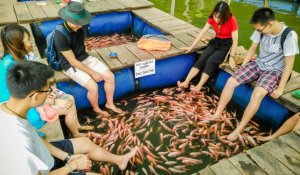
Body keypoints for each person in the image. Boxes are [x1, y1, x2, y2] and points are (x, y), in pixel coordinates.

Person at [0, 61, 138, 175]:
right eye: (48, 90)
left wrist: (67, 157)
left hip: (42, 154)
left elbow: (36, 139)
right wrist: (72, 166)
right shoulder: (19, 141)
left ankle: (120, 160)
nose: (51, 93)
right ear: (35, 96)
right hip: (43, 170)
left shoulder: (7, 108)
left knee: (84, 142)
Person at [212, 7, 299, 141]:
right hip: (258, 63)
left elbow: (289, 64)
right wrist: (243, 66)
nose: (258, 31)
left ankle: (239, 129)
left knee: (257, 94)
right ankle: (218, 112)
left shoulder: (289, 35)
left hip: (274, 71)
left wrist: (280, 88)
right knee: (231, 81)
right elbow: (252, 49)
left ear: (269, 24)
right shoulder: (261, 29)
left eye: (259, 29)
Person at [0, 24, 92, 138]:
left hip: (34, 96)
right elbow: (28, 96)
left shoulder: (22, 56)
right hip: (23, 109)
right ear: (17, 45)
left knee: (71, 99)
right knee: (69, 108)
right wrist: (53, 102)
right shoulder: (15, 68)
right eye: (28, 40)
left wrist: (49, 92)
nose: (31, 42)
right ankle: (76, 134)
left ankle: (76, 127)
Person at [53, 1, 122, 116]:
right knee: (93, 87)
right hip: (69, 64)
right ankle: (96, 109)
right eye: (77, 23)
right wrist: (92, 73)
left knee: (110, 76)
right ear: (68, 19)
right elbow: (72, 61)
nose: (80, 25)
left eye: (81, 22)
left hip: (84, 57)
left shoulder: (82, 26)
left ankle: (110, 104)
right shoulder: (60, 35)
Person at [177, 1, 238, 92]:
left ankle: (198, 87)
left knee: (210, 61)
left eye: (219, 17)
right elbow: (202, 32)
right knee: (201, 59)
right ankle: (185, 83)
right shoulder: (211, 17)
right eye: (215, 16)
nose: (216, 19)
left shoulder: (232, 19)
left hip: (226, 45)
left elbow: (235, 40)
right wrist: (191, 46)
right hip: (216, 41)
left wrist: (232, 57)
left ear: (225, 15)